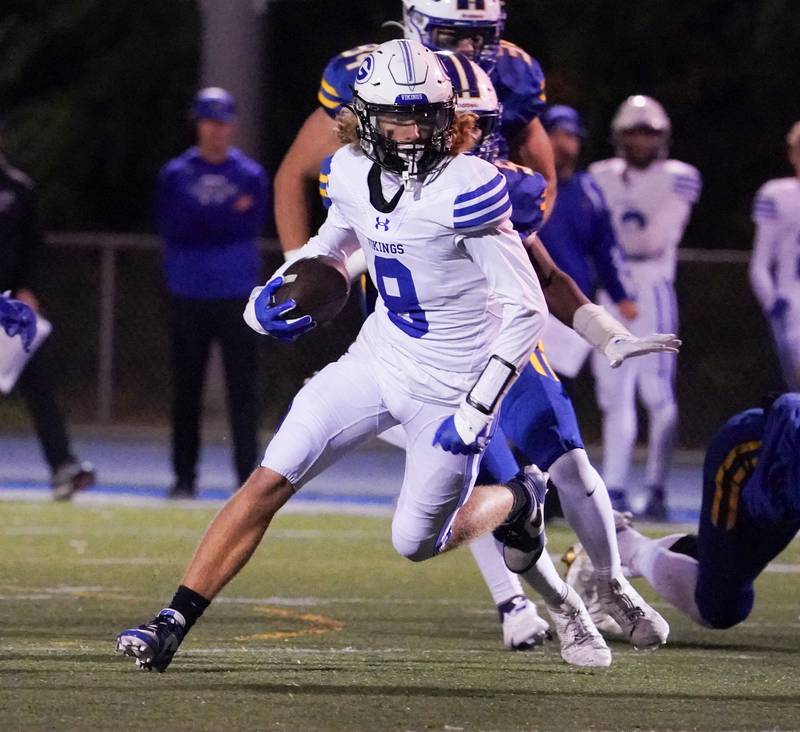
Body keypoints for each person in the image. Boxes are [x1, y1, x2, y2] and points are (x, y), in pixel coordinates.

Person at [116, 39, 565, 673]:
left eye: (424, 119)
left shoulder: (468, 186)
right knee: (271, 475)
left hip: (451, 386)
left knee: (416, 541)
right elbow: (331, 245)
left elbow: (525, 311)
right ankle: (171, 623)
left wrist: (476, 407)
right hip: (379, 358)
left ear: (447, 118)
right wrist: (270, 296)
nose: (409, 135)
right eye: (394, 120)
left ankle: (519, 498)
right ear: (364, 118)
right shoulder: (351, 169)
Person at [437, 54, 673, 660]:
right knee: (463, 509)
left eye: (478, 122)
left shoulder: (496, 185)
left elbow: (548, 273)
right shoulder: (380, 181)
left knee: (567, 460)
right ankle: (560, 606)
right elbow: (355, 259)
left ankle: (610, 584)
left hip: (507, 344)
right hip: (430, 357)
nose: (468, 133)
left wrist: (605, 333)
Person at [274, 0, 555, 258]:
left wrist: (508, 240)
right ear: (413, 22)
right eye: (451, 35)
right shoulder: (377, 80)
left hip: (475, 231)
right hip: (388, 246)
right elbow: (294, 175)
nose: (468, 48)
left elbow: (545, 181)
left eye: (479, 35)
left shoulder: (512, 78)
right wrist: (297, 265)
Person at [565, 393, 800, 631]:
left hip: (778, 470)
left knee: (731, 563)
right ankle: (622, 543)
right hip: (750, 459)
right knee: (719, 605)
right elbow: (788, 409)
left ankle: (619, 543)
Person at [589, 95, 702, 519]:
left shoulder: (679, 177)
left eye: (649, 132)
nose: (641, 140)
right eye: (635, 132)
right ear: (620, 136)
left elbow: (652, 240)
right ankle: (614, 487)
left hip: (652, 285)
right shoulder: (601, 175)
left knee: (655, 391)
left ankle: (656, 487)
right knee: (614, 391)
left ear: (662, 136)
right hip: (612, 285)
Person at [157, 87, 269, 499]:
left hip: (237, 293)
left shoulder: (251, 176)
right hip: (188, 291)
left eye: (222, 122)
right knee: (186, 391)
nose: (216, 130)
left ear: (232, 124)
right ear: (197, 124)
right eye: (209, 121)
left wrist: (204, 217)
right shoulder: (175, 174)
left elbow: (247, 225)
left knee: (244, 392)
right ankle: (184, 478)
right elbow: (177, 228)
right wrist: (223, 214)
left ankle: (247, 481)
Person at [0, 130, 95, 500]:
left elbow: (32, 247)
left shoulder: (18, 188)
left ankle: (63, 466)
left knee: (38, 385)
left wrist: (28, 289)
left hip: (8, 308)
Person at [536, 104, 636, 380]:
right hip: (529, 301)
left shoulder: (588, 189)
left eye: (570, 136)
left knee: (560, 389)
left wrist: (621, 294)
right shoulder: (528, 184)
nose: (563, 144)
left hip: (571, 305)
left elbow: (605, 247)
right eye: (555, 135)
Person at [750, 121, 800, 392]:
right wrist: (773, 304)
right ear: (792, 154)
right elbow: (760, 263)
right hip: (793, 305)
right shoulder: (777, 194)